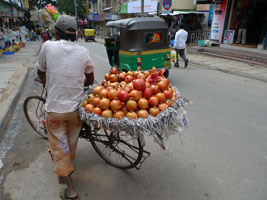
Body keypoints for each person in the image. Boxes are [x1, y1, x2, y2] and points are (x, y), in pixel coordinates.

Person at [35, 15, 95, 199]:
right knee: (70, 143)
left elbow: (40, 70)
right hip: (75, 112)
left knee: (60, 149)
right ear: (76, 34)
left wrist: (48, 80)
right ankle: (65, 169)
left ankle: (70, 189)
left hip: (55, 112)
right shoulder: (84, 52)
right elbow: (90, 79)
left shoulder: (47, 46)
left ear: (56, 33)